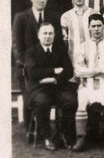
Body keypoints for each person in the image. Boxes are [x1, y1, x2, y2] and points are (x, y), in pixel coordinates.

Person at [13, 0, 62, 130]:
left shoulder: (52, 18)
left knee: (46, 98)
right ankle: (31, 129)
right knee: (30, 97)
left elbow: (56, 43)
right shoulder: (21, 17)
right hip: (27, 68)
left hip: (47, 67)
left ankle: (46, 129)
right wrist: (28, 66)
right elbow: (17, 45)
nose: (42, 0)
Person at [25, 23, 77, 151]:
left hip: (57, 87)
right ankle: (47, 137)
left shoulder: (60, 50)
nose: (47, 36)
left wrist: (54, 79)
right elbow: (33, 72)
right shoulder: (31, 52)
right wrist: (55, 70)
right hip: (38, 89)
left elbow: (69, 70)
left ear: (54, 35)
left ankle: (64, 134)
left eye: (50, 33)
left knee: (70, 101)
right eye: (44, 33)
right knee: (42, 102)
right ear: (38, 35)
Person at [73, 13, 104, 152]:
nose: (97, 29)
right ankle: (81, 138)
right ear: (89, 28)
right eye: (93, 26)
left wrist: (91, 71)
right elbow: (78, 72)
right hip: (87, 86)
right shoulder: (82, 47)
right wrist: (100, 70)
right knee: (81, 101)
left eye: (99, 26)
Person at [61, 0, 95, 74]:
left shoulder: (94, 13)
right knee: (74, 86)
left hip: (91, 57)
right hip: (73, 58)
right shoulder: (66, 16)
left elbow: (102, 37)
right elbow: (63, 40)